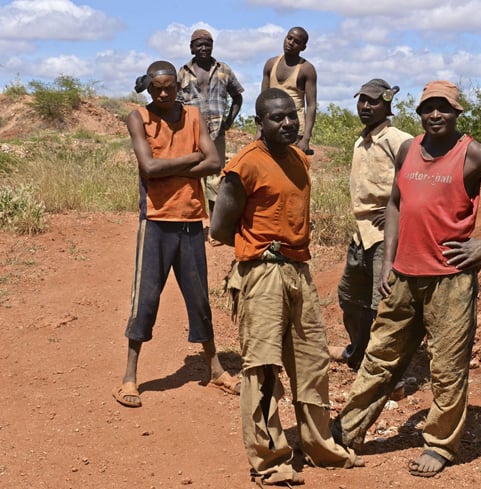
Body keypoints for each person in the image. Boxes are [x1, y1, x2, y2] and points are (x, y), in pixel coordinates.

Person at [332, 80, 481, 477]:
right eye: (429, 108)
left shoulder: (473, 154)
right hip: (404, 277)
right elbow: (395, 203)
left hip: (450, 280)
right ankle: (347, 430)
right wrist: (388, 260)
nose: (436, 114)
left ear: (457, 113)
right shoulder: (409, 149)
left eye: (444, 108)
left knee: (446, 366)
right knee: (378, 357)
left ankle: (440, 445)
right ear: (419, 113)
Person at [210, 88, 363, 486]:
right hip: (261, 273)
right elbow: (220, 228)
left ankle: (318, 445)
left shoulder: (297, 158)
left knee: (311, 361)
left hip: (299, 270)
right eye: (277, 118)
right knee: (262, 367)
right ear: (259, 123)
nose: (288, 123)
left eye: (292, 116)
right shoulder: (243, 166)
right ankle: (270, 460)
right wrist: (259, 250)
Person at [112, 60, 237, 409]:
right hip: (155, 219)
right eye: (157, 88)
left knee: (198, 298)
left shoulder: (193, 116)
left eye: (169, 87)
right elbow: (148, 168)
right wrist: (191, 158)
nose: (164, 93)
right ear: (148, 88)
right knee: (146, 298)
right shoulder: (138, 117)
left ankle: (215, 368)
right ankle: (129, 378)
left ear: (177, 87)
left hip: (191, 219)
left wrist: (174, 166)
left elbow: (214, 163)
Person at [331, 78, 412, 370]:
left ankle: (391, 374)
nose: (365, 106)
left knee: (384, 305)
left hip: (385, 234)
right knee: (351, 298)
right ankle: (359, 352)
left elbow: (416, 181)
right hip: (360, 233)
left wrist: (397, 210)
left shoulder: (399, 139)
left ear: (387, 104)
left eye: (373, 101)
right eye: (362, 100)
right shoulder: (359, 141)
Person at [178, 28, 245, 229]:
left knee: (216, 179)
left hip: (216, 133)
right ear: (192, 48)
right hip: (191, 133)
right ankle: (191, 223)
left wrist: (229, 121)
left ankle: (215, 227)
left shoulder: (223, 69)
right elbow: (176, 102)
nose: (204, 48)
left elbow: (237, 97)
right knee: (190, 175)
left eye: (208, 44)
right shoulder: (182, 73)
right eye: (199, 44)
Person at [261, 26, 317, 154]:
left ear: (303, 47)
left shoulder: (306, 69)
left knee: (291, 168)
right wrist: (260, 128)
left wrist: (306, 137)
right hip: (272, 125)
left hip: (293, 128)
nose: (290, 43)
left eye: (296, 41)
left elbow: (311, 105)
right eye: (289, 38)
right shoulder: (271, 64)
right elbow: (262, 99)